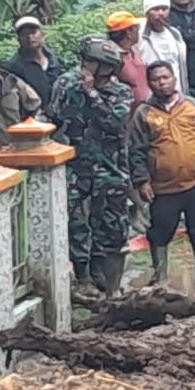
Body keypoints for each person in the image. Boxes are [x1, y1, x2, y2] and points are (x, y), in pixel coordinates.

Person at [43, 36, 135, 297]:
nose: (86, 67)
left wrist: (91, 92)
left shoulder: (121, 92)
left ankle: (112, 287)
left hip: (110, 169)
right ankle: (81, 278)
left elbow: (115, 123)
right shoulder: (66, 83)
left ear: (106, 68)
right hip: (75, 167)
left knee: (113, 227)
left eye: (93, 63)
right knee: (71, 221)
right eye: (85, 61)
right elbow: (55, 116)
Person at [128, 61, 195, 289]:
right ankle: (161, 278)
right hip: (162, 188)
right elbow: (136, 150)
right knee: (160, 232)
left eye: (166, 77)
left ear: (174, 79)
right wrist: (141, 181)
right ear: (149, 83)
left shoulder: (192, 105)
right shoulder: (144, 113)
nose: (162, 82)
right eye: (157, 79)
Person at [137, 0, 188, 93]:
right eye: (155, 9)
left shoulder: (174, 34)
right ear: (147, 12)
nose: (161, 13)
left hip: (177, 95)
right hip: (152, 98)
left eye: (164, 9)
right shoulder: (139, 35)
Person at [3, 16, 64, 105]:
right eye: (24, 34)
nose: (30, 37)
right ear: (19, 40)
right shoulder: (13, 67)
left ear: (43, 35)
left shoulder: (55, 60)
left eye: (33, 32)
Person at [106, 11, 149, 102]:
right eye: (137, 28)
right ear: (128, 32)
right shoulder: (111, 58)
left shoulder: (134, 51)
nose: (139, 31)